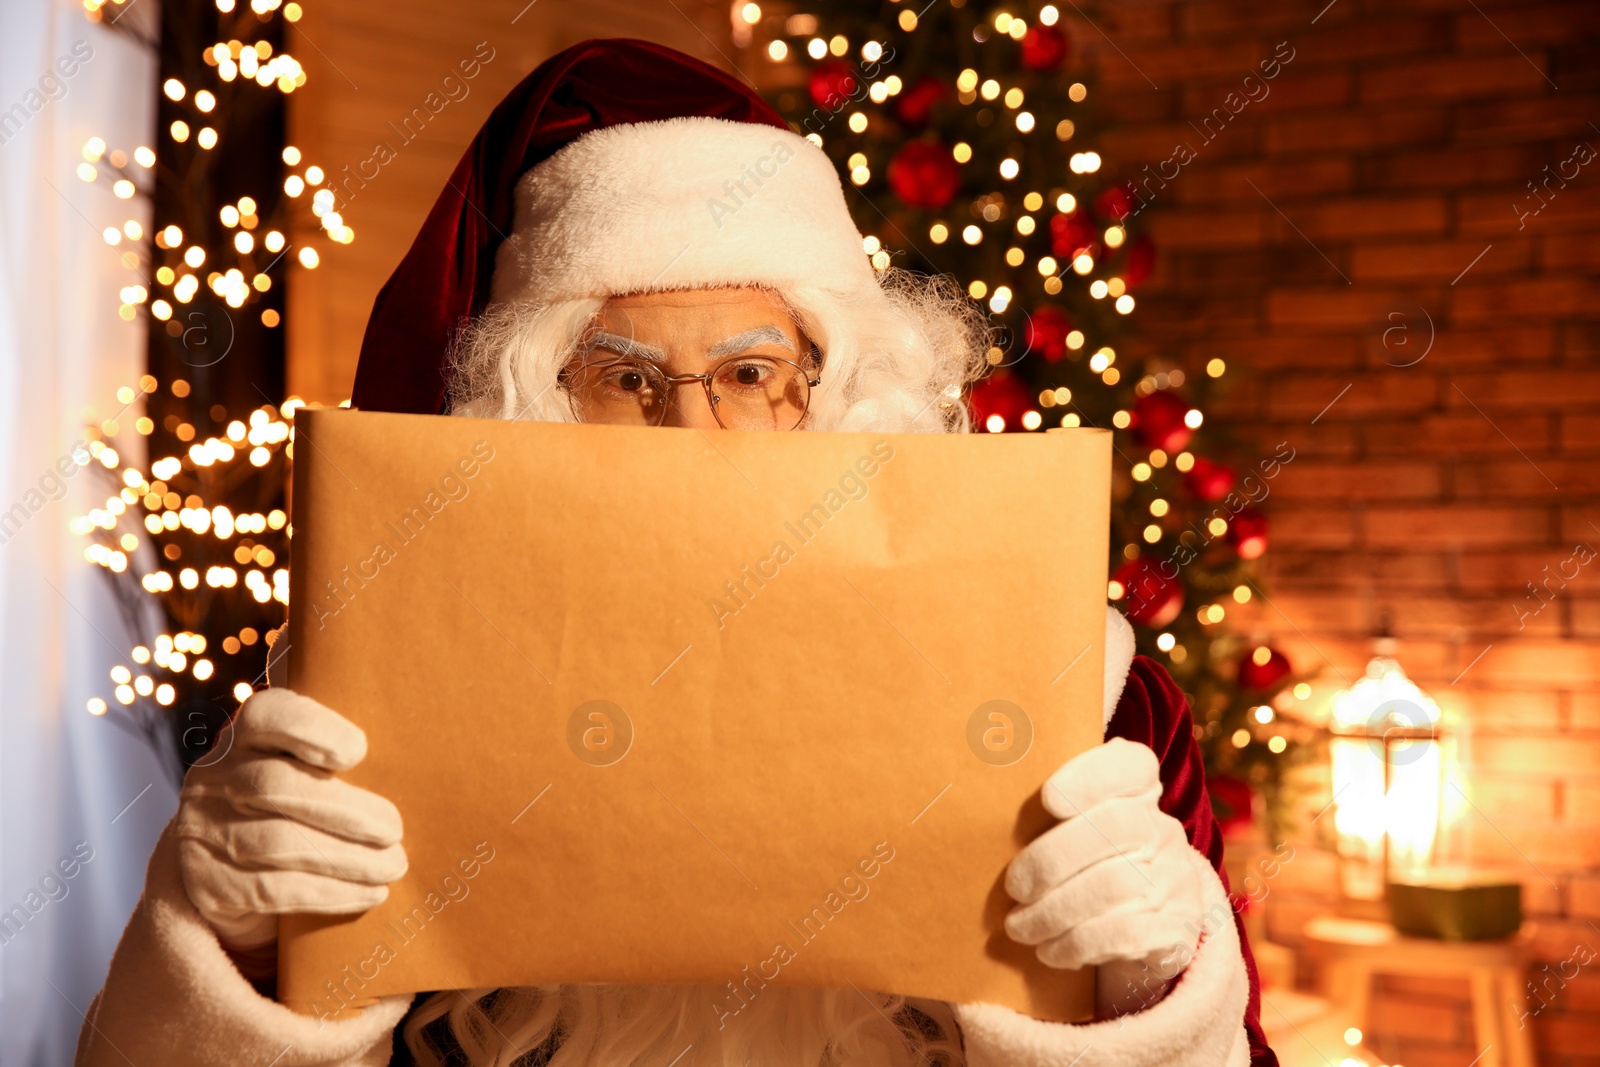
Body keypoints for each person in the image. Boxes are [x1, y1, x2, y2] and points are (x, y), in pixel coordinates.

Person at [75, 39, 1277, 1067]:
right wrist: (227, 949)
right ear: (533, 405)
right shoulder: (349, 714)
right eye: (627, 378)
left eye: (751, 373)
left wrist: (1154, 1000)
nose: (695, 428)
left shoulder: (1101, 709)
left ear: (836, 388)